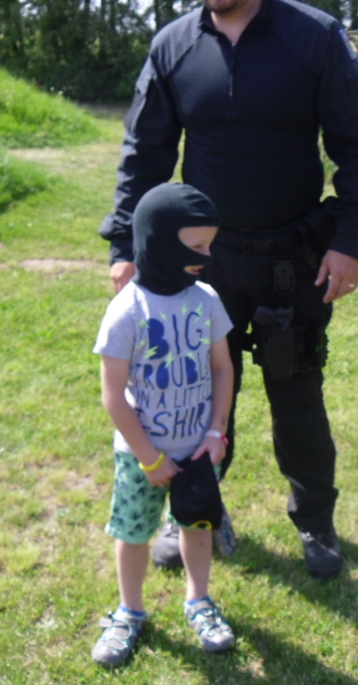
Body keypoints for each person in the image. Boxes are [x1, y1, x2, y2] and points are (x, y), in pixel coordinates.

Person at [99, 0, 358, 580]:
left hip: (292, 260)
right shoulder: (174, 47)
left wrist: (351, 242)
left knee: (296, 394)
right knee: (193, 394)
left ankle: (315, 521)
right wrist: (124, 245)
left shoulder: (313, 38)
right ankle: (199, 512)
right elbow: (144, 155)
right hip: (200, 266)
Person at [92, 183, 237, 668]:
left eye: (209, 245)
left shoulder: (207, 300)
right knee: (134, 533)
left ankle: (199, 600)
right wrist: (150, 458)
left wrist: (216, 432)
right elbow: (113, 395)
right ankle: (129, 611)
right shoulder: (127, 311)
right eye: (196, 246)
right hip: (142, 456)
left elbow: (223, 368)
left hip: (197, 449)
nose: (207, 256)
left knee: (197, 527)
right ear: (159, 241)